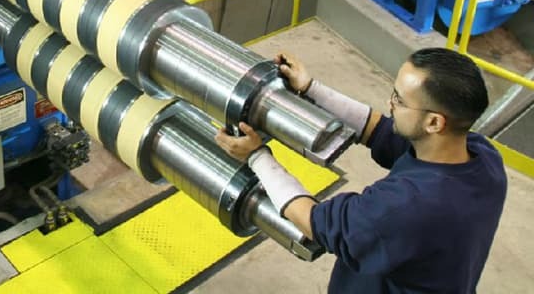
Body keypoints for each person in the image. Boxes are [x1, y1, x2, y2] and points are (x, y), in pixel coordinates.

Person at [216, 47, 507, 293]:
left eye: (399, 100)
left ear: (434, 123)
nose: (389, 104)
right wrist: (310, 88)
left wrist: (256, 156)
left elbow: (316, 222)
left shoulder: (406, 206)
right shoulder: (482, 158)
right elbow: (378, 129)